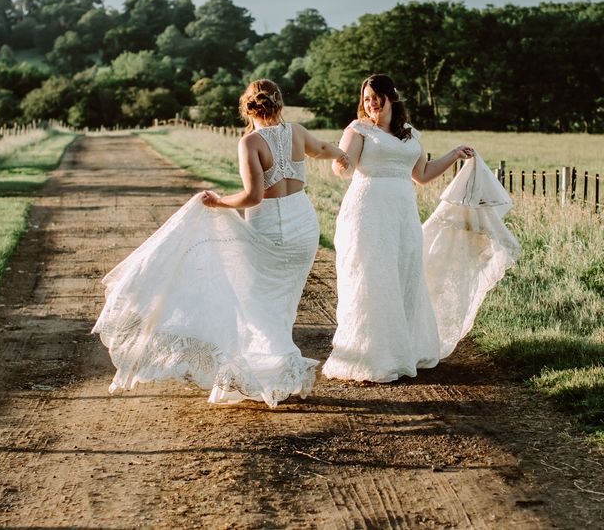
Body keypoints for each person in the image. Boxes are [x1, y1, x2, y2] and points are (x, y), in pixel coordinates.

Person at [93, 79, 349, 407]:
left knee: (256, 301)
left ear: (246, 107)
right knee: (282, 300)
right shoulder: (297, 132)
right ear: (280, 104)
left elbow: (253, 197)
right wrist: (342, 156)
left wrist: (217, 203)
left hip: (269, 225)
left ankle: (276, 369)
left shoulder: (251, 143)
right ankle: (273, 368)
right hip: (304, 227)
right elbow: (324, 150)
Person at [323, 73, 519, 383]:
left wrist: (455, 154)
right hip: (368, 209)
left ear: (391, 97)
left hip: (402, 212)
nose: (370, 102)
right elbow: (343, 169)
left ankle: (404, 350)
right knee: (372, 275)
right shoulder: (358, 129)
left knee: (405, 272)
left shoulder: (410, 134)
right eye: (366, 98)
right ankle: (370, 354)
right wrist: (337, 158)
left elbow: (423, 174)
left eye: (375, 96)